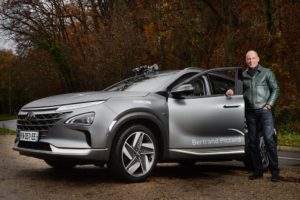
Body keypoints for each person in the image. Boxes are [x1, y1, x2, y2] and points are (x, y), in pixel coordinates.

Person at [226, 50, 280, 182]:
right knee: (252, 143)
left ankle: (275, 171)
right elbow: (240, 90)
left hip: (265, 111)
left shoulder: (267, 73)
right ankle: (258, 170)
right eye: (248, 59)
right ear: (246, 61)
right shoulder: (242, 75)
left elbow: (276, 89)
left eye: (253, 58)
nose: (251, 61)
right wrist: (231, 91)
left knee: (268, 140)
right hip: (250, 112)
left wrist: (270, 104)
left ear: (258, 59)